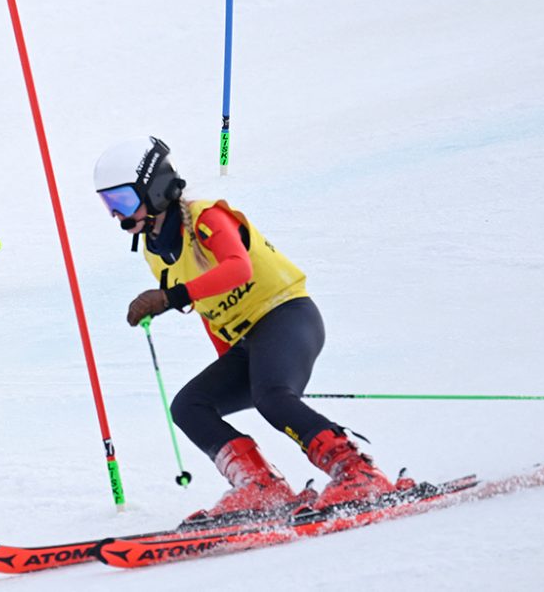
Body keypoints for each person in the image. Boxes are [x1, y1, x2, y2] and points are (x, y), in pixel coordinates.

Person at [93, 135, 406, 515]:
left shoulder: (207, 218)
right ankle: (261, 487)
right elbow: (209, 312)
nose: (117, 214)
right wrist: (230, 365)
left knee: (271, 396)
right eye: (109, 204)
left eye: (123, 200)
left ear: (155, 188)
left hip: (287, 315)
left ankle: (357, 471)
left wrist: (170, 298)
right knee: (189, 406)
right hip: (247, 340)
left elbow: (237, 269)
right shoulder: (155, 250)